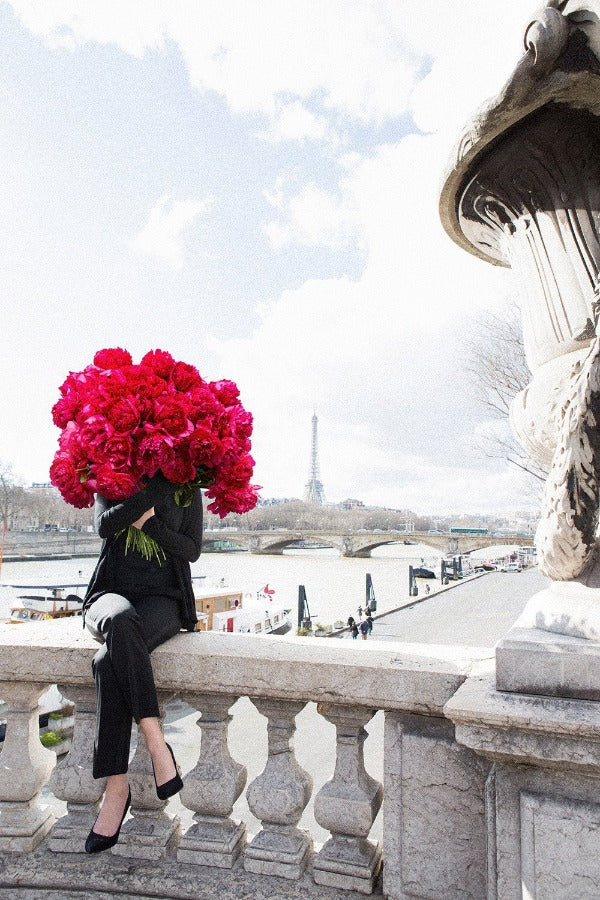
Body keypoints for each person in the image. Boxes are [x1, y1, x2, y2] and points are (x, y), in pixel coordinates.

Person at [82, 471, 203, 854]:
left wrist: (149, 523)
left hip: (163, 601)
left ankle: (117, 789)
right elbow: (105, 525)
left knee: (107, 662)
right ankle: (156, 745)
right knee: (118, 622)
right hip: (109, 596)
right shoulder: (111, 475)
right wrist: (151, 492)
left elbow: (191, 549)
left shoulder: (187, 487)